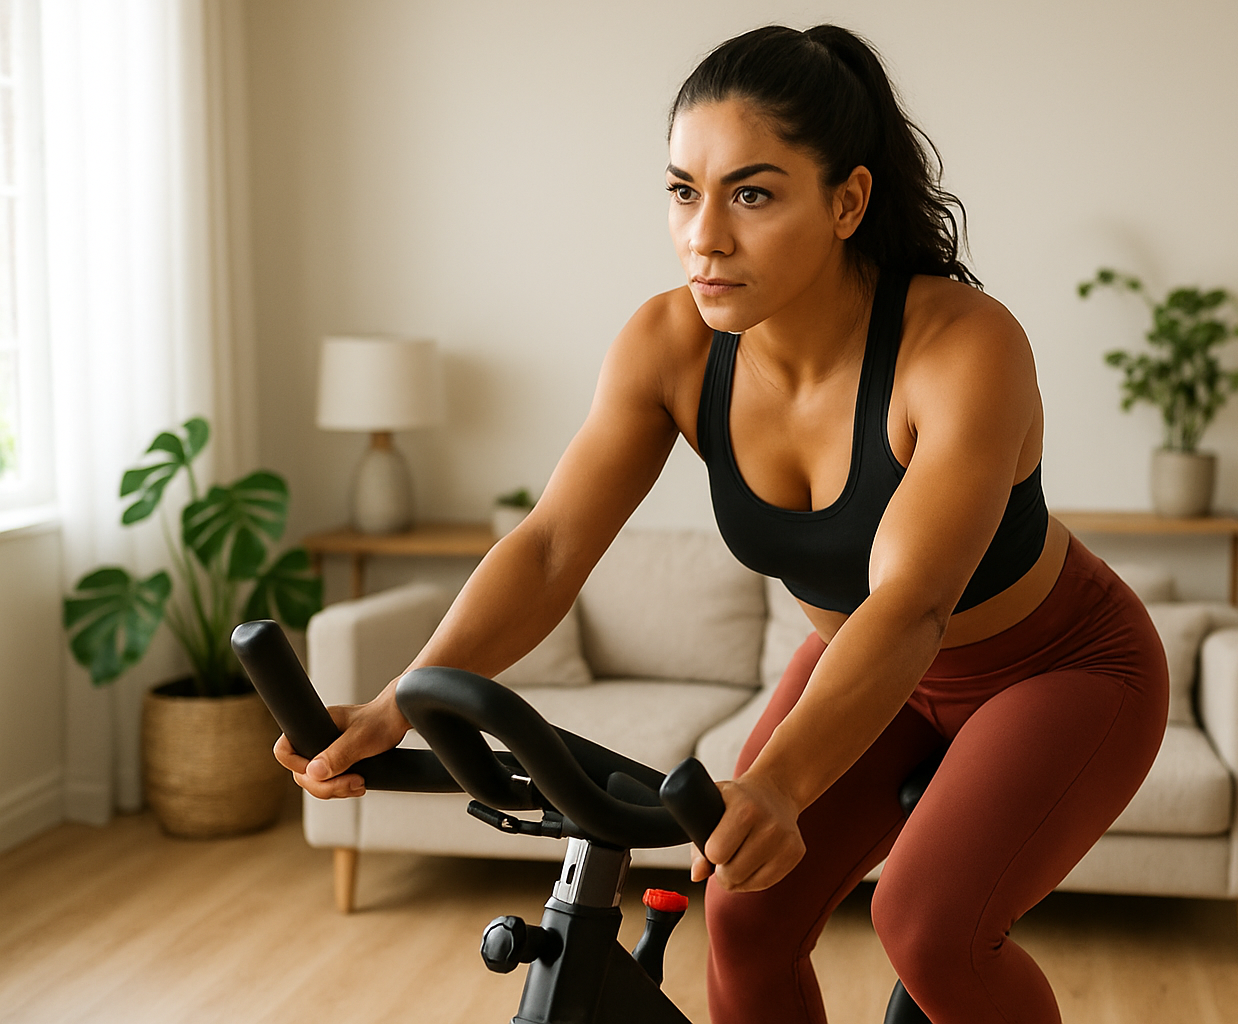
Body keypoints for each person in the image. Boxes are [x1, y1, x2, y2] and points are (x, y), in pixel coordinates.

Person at [276, 24, 1168, 1024]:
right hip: (864, 669)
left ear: (847, 202)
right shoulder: (670, 345)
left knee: (928, 926)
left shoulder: (961, 346)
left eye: (752, 194)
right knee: (743, 917)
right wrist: (398, 701)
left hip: (1060, 668)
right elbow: (550, 546)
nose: (705, 234)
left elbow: (912, 605)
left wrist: (779, 786)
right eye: (681, 191)